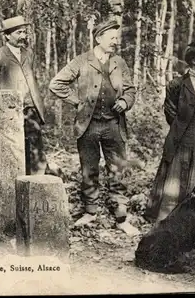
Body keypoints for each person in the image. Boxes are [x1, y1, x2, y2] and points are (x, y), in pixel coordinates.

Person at [49, 18, 139, 236]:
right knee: (89, 169)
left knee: (118, 169)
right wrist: (77, 101)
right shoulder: (81, 61)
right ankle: (90, 212)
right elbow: (56, 84)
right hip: (87, 126)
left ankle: (121, 218)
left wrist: (125, 102)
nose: (115, 42)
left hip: (114, 125)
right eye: (111, 38)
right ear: (99, 38)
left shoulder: (120, 63)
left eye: (117, 38)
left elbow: (130, 90)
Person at [146, 41, 195, 228]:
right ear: (194, 60)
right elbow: (170, 113)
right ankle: (171, 223)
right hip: (186, 137)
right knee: (180, 178)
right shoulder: (177, 85)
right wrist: (185, 131)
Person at [0, 15, 49, 175]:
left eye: (24, 32)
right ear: (7, 36)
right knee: (11, 149)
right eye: (18, 33)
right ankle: (13, 184)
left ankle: (36, 183)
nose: (23, 36)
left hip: (31, 109)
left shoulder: (29, 54)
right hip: (8, 112)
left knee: (35, 149)